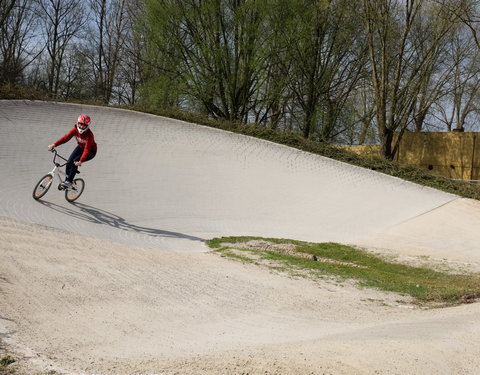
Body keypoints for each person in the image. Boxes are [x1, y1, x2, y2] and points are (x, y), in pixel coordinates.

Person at [48, 114, 97, 188]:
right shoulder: (74, 130)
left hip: (90, 151)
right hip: (80, 147)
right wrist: (54, 144)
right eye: (80, 124)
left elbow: (86, 149)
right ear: (77, 123)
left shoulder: (89, 135)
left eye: (84, 125)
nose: (82, 126)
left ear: (88, 126)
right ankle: (67, 180)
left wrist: (81, 161)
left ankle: (69, 181)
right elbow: (65, 138)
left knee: (75, 161)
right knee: (69, 162)